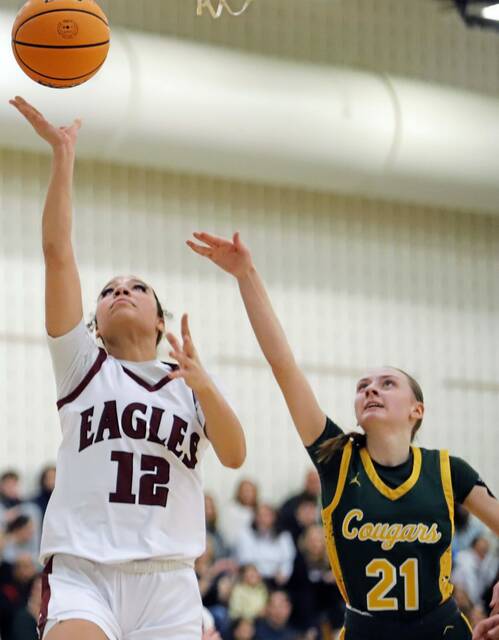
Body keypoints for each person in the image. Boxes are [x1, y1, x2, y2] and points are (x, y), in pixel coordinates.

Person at [9, 97, 246, 640]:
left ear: (161, 321)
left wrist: (205, 383)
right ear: (93, 323)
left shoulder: (190, 383)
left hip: (170, 583)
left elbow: (234, 454)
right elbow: (57, 251)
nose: (121, 292)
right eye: (109, 290)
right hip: (84, 573)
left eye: (137, 288)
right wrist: (62, 156)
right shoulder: (81, 365)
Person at [187, 231, 499, 640]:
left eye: (387, 383)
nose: (370, 389)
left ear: (416, 410)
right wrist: (247, 275)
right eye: (363, 385)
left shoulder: (446, 470)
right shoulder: (338, 457)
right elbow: (283, 364)